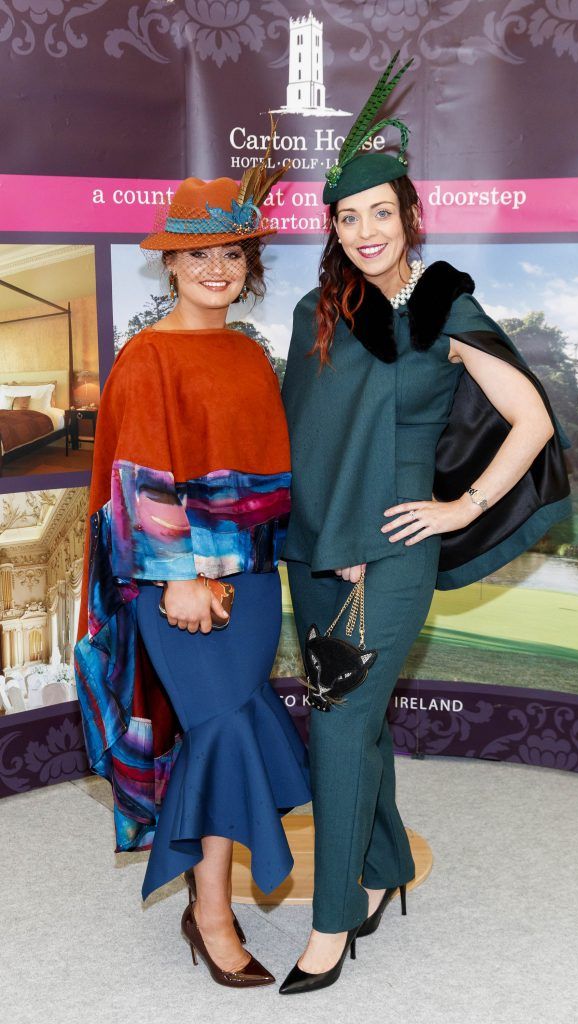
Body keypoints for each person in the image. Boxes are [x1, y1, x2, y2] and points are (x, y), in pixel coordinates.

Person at [279, 55, 571, 994]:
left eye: (380, 213)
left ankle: (332, 924)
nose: (365, 232)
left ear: (410, 215)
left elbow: (530, 420)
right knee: (353, 723)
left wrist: (463, 506)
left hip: (396, 547)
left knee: (333, 724)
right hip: (318, 549)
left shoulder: (446, 304)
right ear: (333, 226)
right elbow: (303, 439)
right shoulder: (315, 310)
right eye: (346, 216)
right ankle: (385, 869)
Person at [74, 149, 311, 989]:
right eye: (197, 253)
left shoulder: (249, 355)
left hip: (248, 585)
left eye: (232, 253)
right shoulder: (147, 357)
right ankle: (212, 913)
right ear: (169, 261)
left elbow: (267, 479)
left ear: (247, 266)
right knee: (216, 730)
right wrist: (178, 574)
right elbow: (135, 481)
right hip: (170, 583)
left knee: (228, 730)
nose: (216, 267)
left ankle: (206, 901)